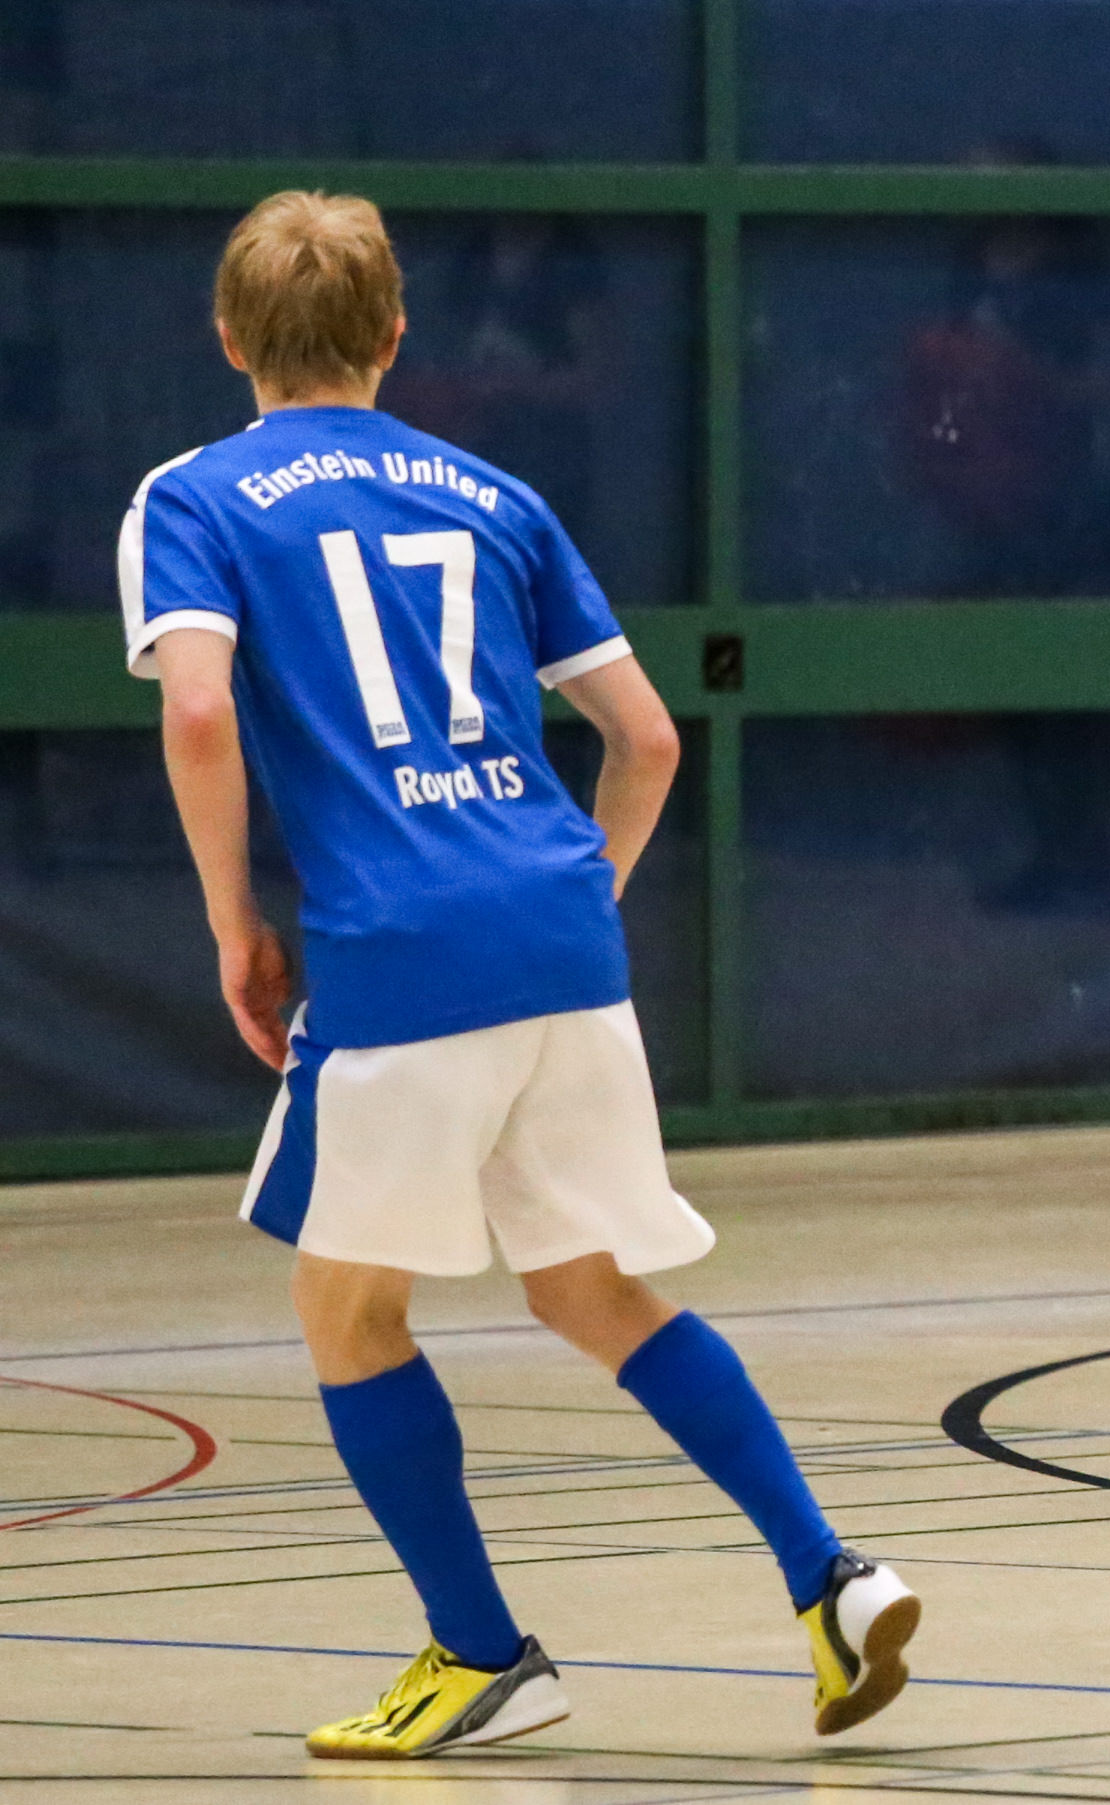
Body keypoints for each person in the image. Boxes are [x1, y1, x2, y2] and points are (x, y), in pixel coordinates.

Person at [124, 191, 919, 1758]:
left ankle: (480, 1652)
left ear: (227, 337)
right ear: (394, 331)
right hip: (563, 935)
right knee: (588, 1285)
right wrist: (569, 903)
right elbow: (649, 739)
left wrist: (232, 923)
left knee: (346, 1308)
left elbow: (201, 714)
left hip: (401, 952)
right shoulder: (492, 491)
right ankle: (832, 1573)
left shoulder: (194, 496)